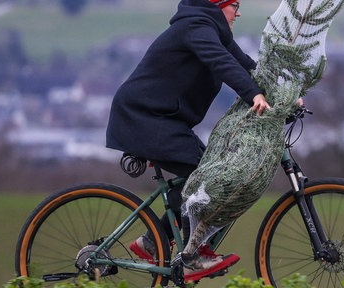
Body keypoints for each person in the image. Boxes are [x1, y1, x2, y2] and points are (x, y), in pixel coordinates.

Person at [105, 0, 270, 281]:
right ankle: (192, 258)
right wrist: (253, 94)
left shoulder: (213, 31)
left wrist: (281, 95)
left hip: (162, 120)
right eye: (235, 5)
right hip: (144, 118)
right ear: (218, 5)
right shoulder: (196, 26)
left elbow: (246, 66)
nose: (238, 12)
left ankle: (150, 241)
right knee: (205, 179)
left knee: (205, 177)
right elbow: (221, 62)